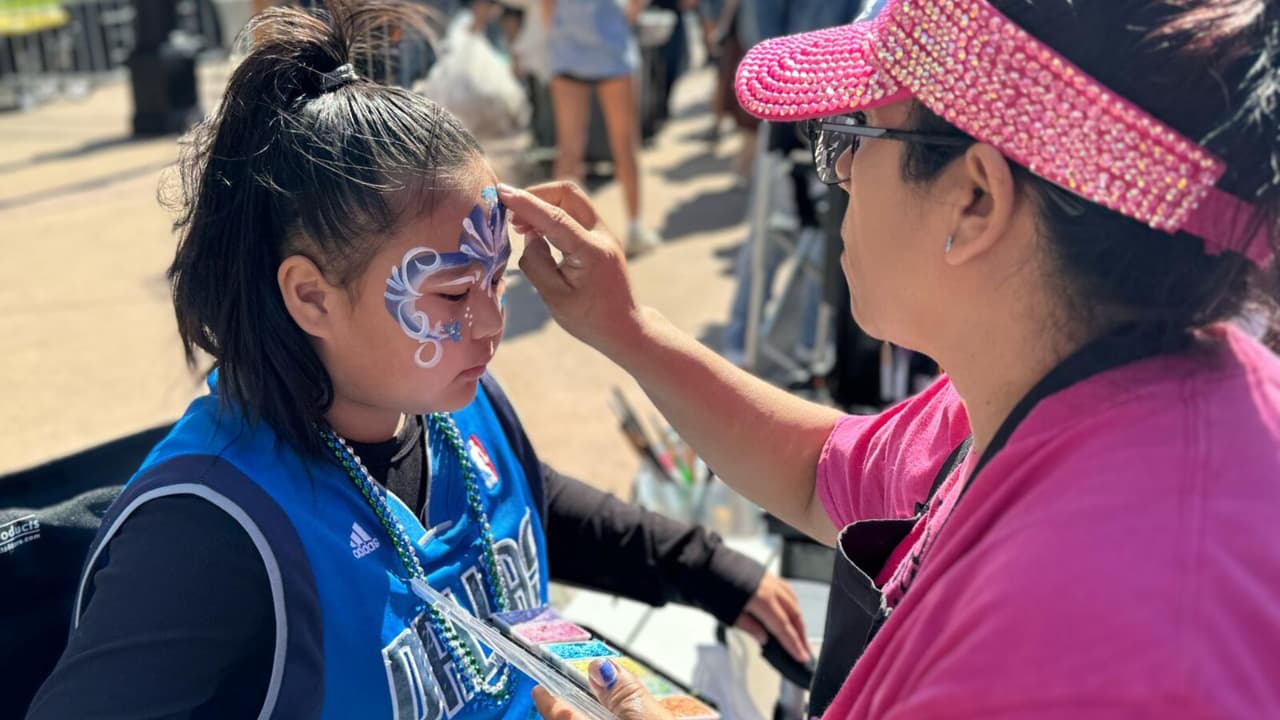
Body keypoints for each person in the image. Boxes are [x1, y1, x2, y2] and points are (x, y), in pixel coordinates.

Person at [22, 2, 808, 718]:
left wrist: (712, 572)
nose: (492, 323)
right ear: (312, 296)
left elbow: (525, 501)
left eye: (495, 281)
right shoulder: (212, 534)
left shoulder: (443, 401)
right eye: (453, 294)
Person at [500, 0, 1280, 717]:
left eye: (856, 131)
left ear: (975, 197)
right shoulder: (1069, 379)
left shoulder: (1088, 645)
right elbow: (824, 473)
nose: (835, 171)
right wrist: (625, 327)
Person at [544, 0, 661, 257]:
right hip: (612, 47)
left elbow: (547, 8)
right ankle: (634, 227)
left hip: (567, 49)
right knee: (624, 144)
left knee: (569, 148)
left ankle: (558, 236)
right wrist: (625, 18)